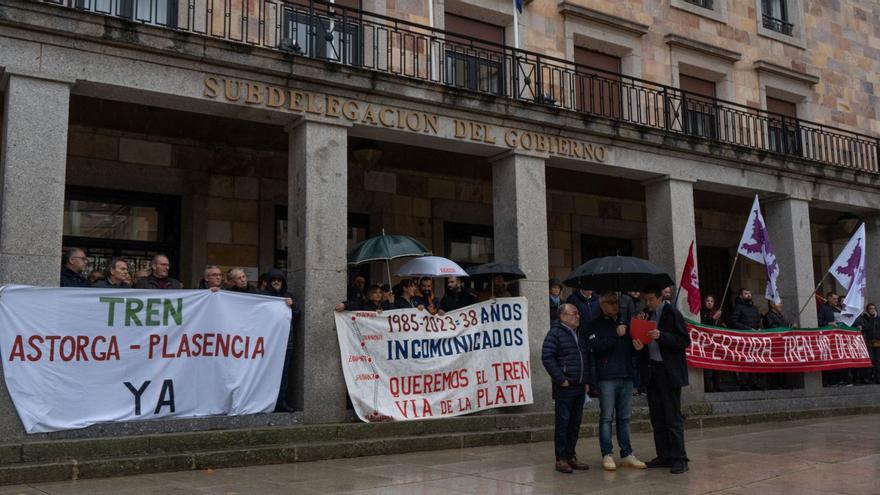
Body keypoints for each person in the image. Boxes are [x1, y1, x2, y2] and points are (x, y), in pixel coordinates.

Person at [632, 285, 690, 474]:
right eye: (645, 300)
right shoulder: (646, 316)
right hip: (652, 372)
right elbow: (644, 344)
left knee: (672, 417)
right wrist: (639, 344)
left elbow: (684, 341)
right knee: (657, 417)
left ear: (659, 298)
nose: (647, 303)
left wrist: (662, 336)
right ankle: (664, 455)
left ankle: (679, 458)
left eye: (650, 299)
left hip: (669, 372)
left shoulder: (671, 313)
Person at [586, 292, 647, 471]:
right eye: (611, 303)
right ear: (601, 304)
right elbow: (596, 348)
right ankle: (607, 454)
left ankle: (627, 453)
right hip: (607, 378)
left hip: (626, 375)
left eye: (617, 303)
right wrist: (615, 335)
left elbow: (631, 351)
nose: (615, 306)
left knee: (625, 418)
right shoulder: (593, 325)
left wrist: (638, 348)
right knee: (606, 417)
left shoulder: (625, 323)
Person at [541, 303, 592, 474]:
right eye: (574, 313)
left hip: (579, 385)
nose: (578, 316)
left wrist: (585, 380)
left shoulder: (578, 333)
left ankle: (571, 456)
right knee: (563, 423)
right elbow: (547, 357)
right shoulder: (555, 333)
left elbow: (584, 357)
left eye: (578, 313)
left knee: (575, 423)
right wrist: (560, 379)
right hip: (565, 386)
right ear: (563, 316)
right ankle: (561, 458)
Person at [261, 268, 299, 412]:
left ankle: (281, 402)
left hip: (285, 343)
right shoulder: (262, 296)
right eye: (274, 280)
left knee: (283, 374)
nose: (276, 282)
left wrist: (293, 306)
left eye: (279, 280)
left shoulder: (289, 297)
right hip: (266, 344)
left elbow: (297, 315)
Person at [700, 294, 724, 393]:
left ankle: (717, 386)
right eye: (708, 301)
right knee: (707, 367)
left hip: (716, 343)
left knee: (717, 365)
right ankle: (708, 387)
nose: (710, 303)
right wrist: (713, 318)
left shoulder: (716, 312)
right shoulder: (701, 312)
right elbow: (703, 324)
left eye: (712, 301)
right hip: (705, 343)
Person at [856, 304, 880, 384]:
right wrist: (867, 318)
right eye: (870, 309)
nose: (872, 310)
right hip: (868, 343)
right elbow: (865, 327)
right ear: (867, 310)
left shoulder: (878, 318)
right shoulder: (865, 318)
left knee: (878, 361)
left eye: (873, 308)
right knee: (870, 361)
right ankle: (868, 378)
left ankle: (878, 378)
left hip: (878, 343)